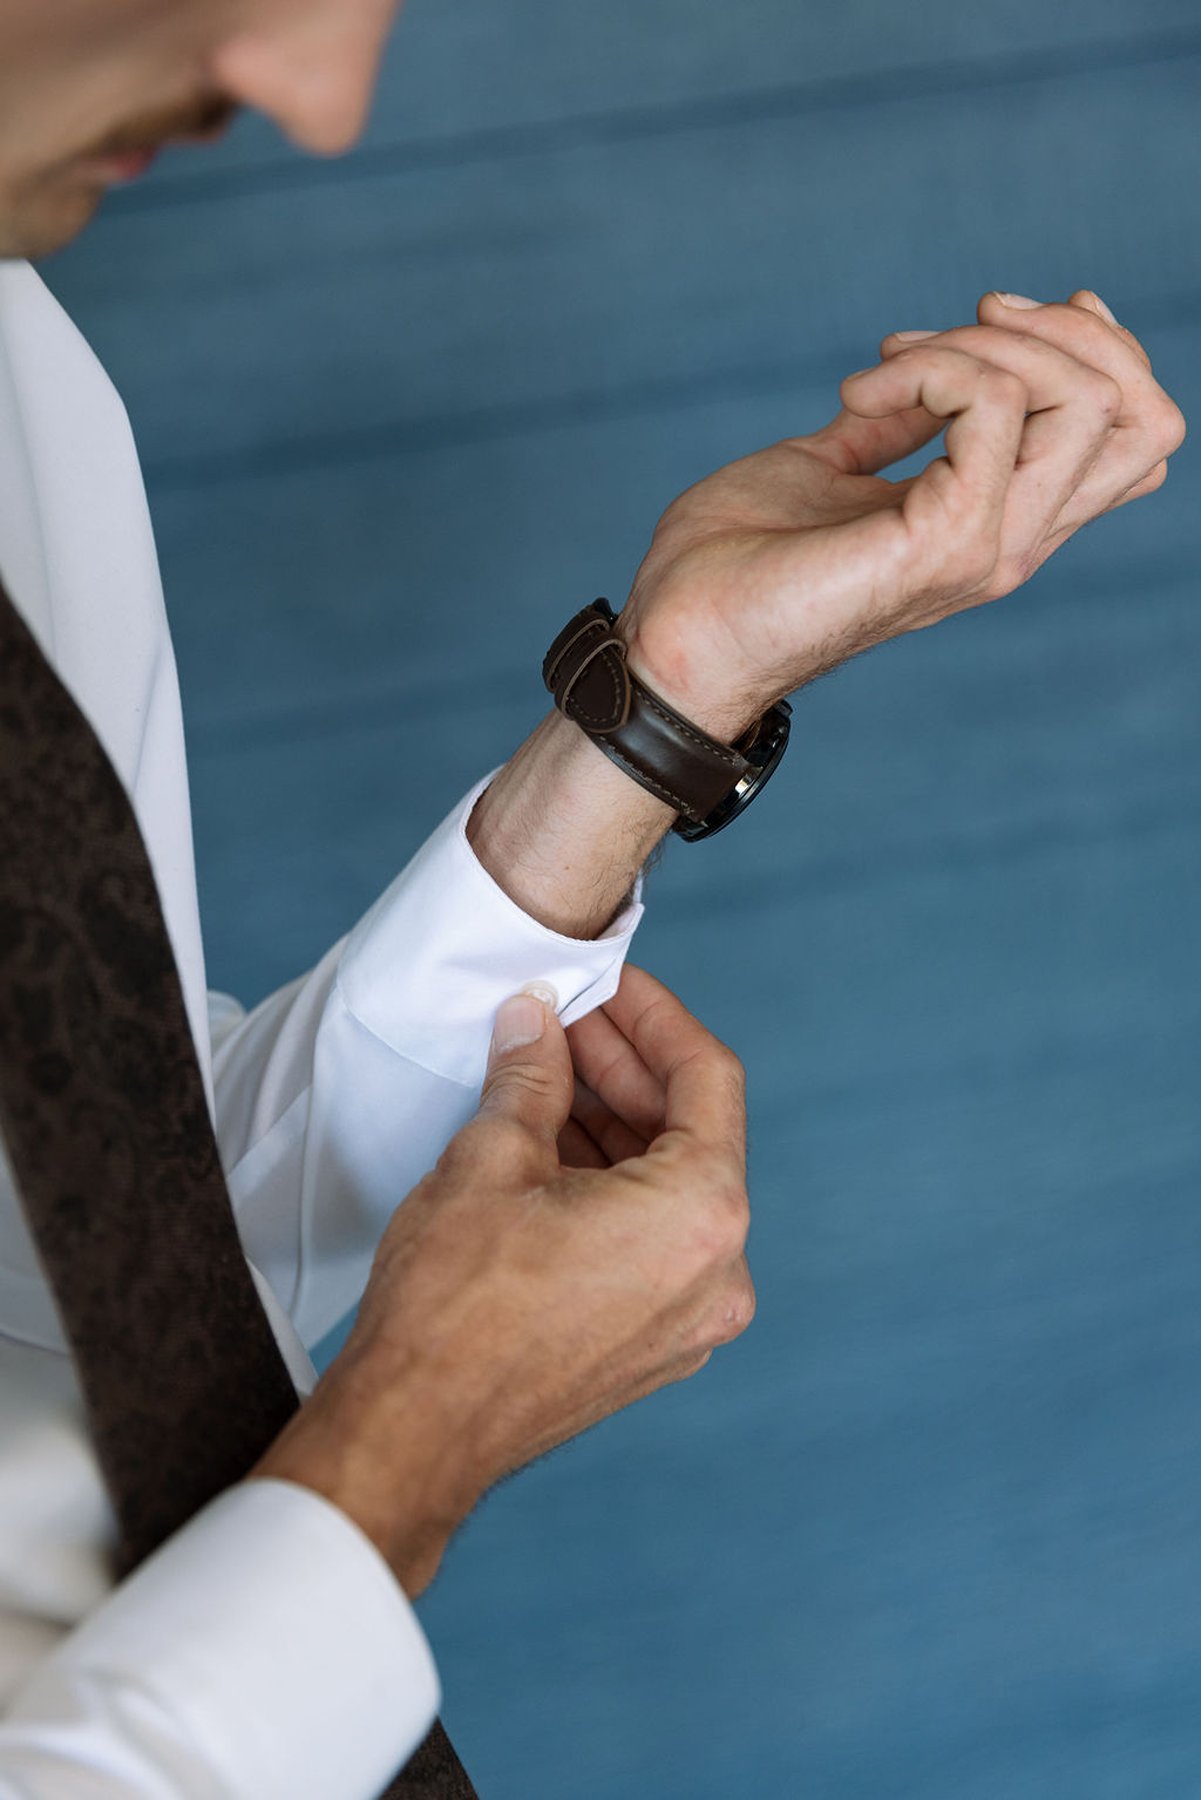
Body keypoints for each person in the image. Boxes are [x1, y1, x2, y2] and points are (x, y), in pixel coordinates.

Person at [0, 1, 1185, 1794]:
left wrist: (662, 711)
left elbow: (98, 1244)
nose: (318, 97)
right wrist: (414, 1444)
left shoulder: (24, 378)